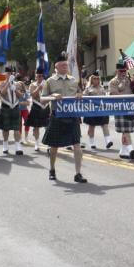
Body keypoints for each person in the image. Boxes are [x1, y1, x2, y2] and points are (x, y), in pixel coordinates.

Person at [41, 51, 87, 183]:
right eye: (62, 65)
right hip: (57, 117)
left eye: (66, 65)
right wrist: (53, 96)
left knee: (77, 146)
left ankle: (78, 174)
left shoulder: (73, 80)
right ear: (56, 67)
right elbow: (42, 99)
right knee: (54, 147)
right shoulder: (50, 81)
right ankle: (52, 169)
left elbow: (79, 93)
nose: (65, 67)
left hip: (72, 117)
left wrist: (79, 94)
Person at [109, 63, 134, 159]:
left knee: (125, 131)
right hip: (120, 108)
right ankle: (131, 149)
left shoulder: (130, 80)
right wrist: (122, 90)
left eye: (125, 71)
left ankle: (123, 151)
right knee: (125, 130)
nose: (123, 73)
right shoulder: (113, 82)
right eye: (121, 71)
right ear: (117, 71)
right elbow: (114, 94)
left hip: (131, 107)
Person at [0, 68, 25, 155]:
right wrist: (8, 83)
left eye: (11, 73)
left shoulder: (17, 84)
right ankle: (5, 145)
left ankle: (18, 147)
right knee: (6, 129)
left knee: (16, 129)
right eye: (8, 73)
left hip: (15, 107)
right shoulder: (1, 83)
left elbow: (21, 96)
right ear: (5, 75)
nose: (9, 75)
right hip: (6, 107)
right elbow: (2, 93)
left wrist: (15, 89)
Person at [83, 73, 113, 149]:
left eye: (97, 78)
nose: (96, 80)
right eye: (94, 78)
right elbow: (84, 98)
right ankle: (92, 143)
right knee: (91, 126)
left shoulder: (102, 88)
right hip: (91, 109)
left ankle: (108, 141)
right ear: (91, 80)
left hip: (101, 109)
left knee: (104, 124)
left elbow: (105, 97)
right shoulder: (88, 89)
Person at [26, 69, 50, 152]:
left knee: (47, 126)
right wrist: (39, 88)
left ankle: (48, 144)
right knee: (36, 127)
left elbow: (50, 94)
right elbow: (32, 95)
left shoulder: (47, 84)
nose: (40, 77)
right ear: (35, 77)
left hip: (45, 106)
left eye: (41, 76)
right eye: (38, 76)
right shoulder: (32, 85)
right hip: (36, 106)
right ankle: (36, 144)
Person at [17, 74, 31, 144]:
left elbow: (28, 103)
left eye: (20, 84)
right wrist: (23, 102)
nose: (19, 86)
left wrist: (22, 103)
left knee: (27, 123)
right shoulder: (15, 92)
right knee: (19, 125)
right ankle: (20, 139)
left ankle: (26, 138)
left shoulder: (25, 92)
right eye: (18, 85)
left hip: (25, 110)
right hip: (18, 110)